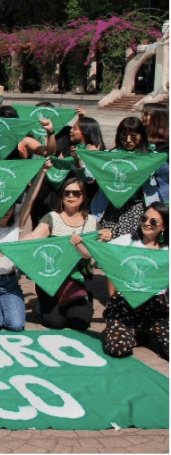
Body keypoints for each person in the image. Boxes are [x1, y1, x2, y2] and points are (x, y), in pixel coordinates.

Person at [17, 175, 107, 330]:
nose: (71, 196)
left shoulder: (92, 223)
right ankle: (42, 304)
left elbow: (93, 255)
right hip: (52, 279)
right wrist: (10, 246)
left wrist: (106, 236)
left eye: (76, 193)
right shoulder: (52, 218)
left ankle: (82, 301)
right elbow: (33, 238)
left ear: (84, 196)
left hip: (78, 280)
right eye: (67, 193)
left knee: (79, 322)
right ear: (61, 196)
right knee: (55, 323)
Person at [101, 202, 168, 359]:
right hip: (125, 302)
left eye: (153, 221)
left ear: (164, 227)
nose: (146, 223)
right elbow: (105, 261)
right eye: (144, 218)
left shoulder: (167, 249)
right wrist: (113, 296)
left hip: (156, 305)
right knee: (118, 348)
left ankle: (142, 329)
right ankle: (131, 330)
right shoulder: (126, 241)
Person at [91, 117, 153, 238]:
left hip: (136, 208)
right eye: (124, 136)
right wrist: (82, 161)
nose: (128, 140)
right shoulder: (110, 156)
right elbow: (90, 177)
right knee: (107, 242)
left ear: (142, 136)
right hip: (110, 209)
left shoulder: (150, 157)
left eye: (133, 136)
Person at [141, 103, 169, 202]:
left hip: (164, 196)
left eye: (146, 114)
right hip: (144, 195)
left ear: (157, 118)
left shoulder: (167, 145)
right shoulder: (140, 140)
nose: (142, 117)